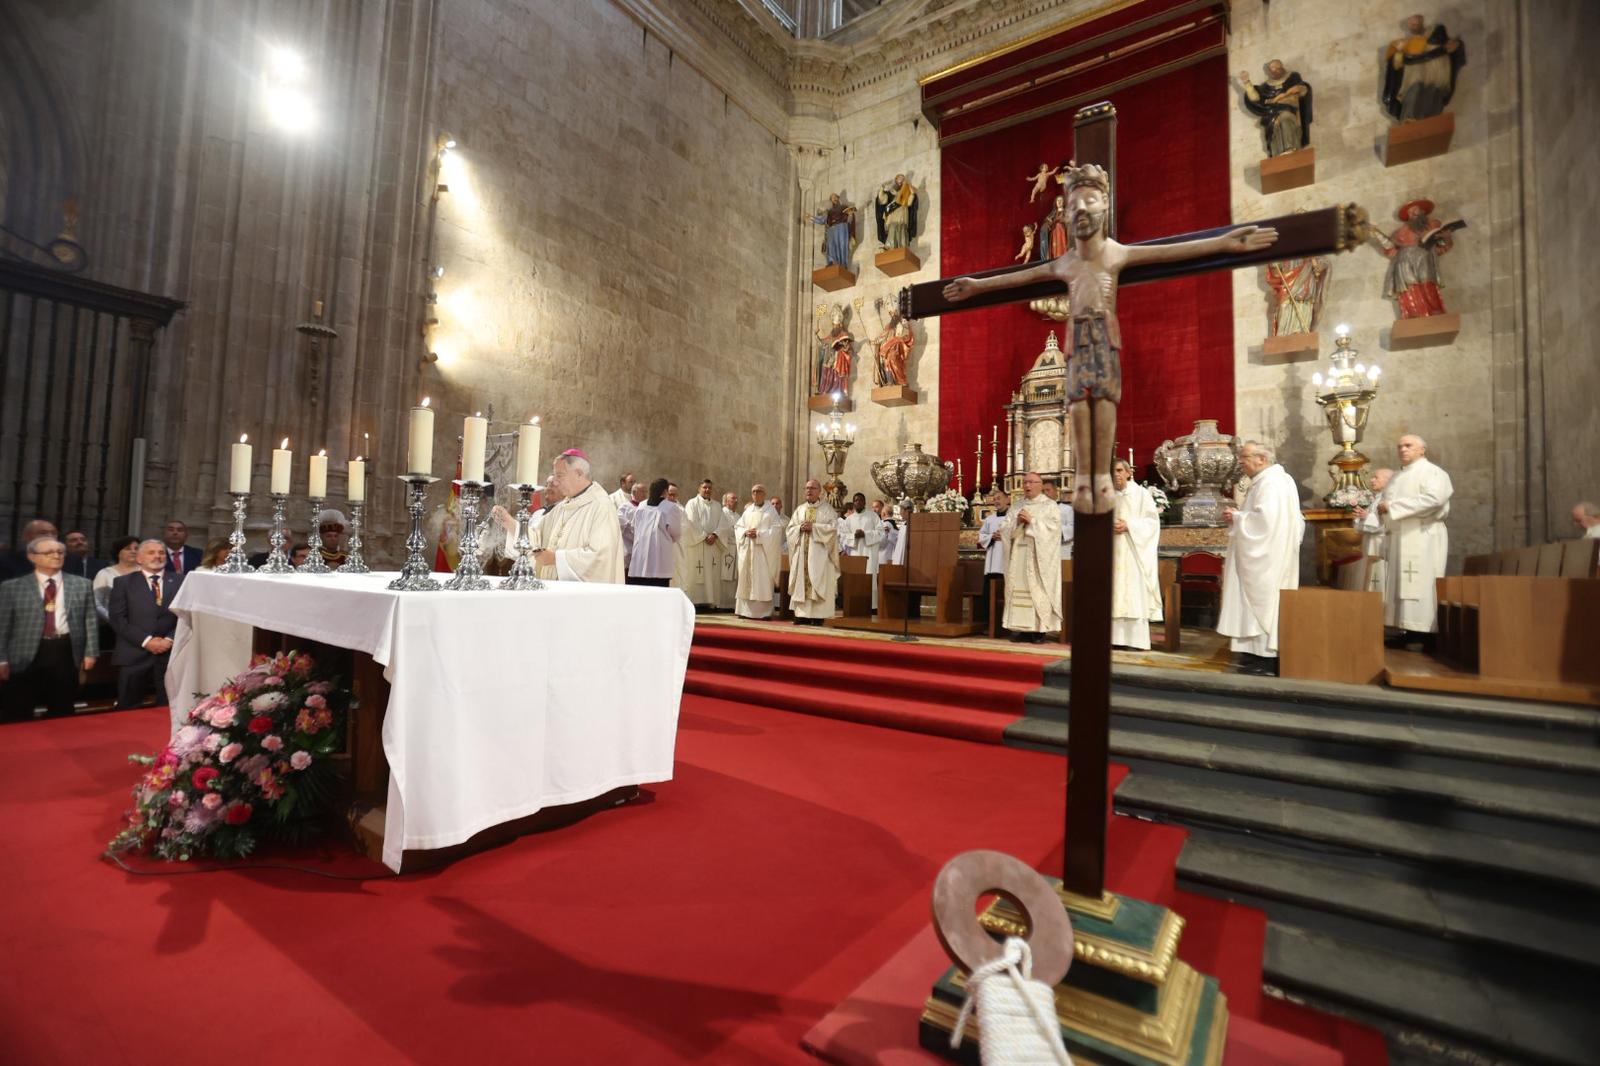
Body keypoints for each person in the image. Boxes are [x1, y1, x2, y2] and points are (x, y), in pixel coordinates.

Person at [944, 163, 1274, 513]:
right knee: (1075, 402)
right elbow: (1021, 276)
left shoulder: (1115, 252)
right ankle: (1085, 475)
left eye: (1090, 201)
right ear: (1066, 216)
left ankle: (1100, 471)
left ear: (1105, 206)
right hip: (1076, 335)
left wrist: (1222, 242)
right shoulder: (1065, 262)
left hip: (1103, 332)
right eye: (1074, 205)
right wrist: (977, 285)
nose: (1081, 210)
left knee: (1102, 398)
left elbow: (1172, 251)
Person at [1217, 442, 1305, 674]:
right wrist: (1241, 517)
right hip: (1266, 554)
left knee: (1264, 603)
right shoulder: (1268, 482)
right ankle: (1253, 653)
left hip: (1267, 558)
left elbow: (1266, 521)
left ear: (1261, 459)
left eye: (1244, 457)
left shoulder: (1272, 483)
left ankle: (1266, 658)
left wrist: (1238, 517)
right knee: (1255, 604)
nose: (1240, 461)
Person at [0, 537, 99, 721]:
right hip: (23, 653)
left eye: (60, 552)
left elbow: (90, 620)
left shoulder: (81, 584)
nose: (56, 556)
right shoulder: (12, 587)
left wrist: (90, 653)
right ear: (32, 557)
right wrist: (1, 660)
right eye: (49, 552)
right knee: (18, 707)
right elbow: (3, 625)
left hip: (65, 649)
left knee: (62, 706)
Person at [1373, 434, 1452, 646]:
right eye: (1400, 446)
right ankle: (1406, 629)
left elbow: (1435, 499)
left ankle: (1425, 633)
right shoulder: (1398, 476)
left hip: (1423, 536)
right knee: (1402, 584)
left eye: (1409, 446)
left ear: (1422, 450)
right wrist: (1383, 509)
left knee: (1422, 583)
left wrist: (1393, 507)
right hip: (1401, 536)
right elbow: (1386, 502)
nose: (1403, 449)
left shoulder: (1433, 473)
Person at [526, 451, 625, 583]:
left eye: (559, 475)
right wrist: (511, 525)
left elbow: (600, 557)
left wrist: (556, 558)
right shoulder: (562, 507)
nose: (555, 482)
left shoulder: (601, 506)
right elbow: (537, 534)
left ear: (579, 474)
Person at [108, 540, 183, 710]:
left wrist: (169, 639)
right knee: (128, 709)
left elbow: (186, 616)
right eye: (151, 552)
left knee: (169, 708)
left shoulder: (181, 581)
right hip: (134, 654)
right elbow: (118, 619)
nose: (157, 556)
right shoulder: (123, 583)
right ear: (139, 558)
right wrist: (147, 641)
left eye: (161, 552)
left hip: (170, 654)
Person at [1001, 472, 1063, 642]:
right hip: (1019, 555)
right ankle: (1021, 629)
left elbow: (1054, 530)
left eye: (1031, 482)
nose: (1027, 485)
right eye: (1025, 482)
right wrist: (1017, 523)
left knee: (1037, 589)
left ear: (1040, 484)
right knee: (1018, 588)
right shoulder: (1016, 506)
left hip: (1038, 557)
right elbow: (1005, 528)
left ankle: (1038, 630)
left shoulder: (1050, 505)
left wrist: (1032, 521)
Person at [1371, 199, 1457, 319]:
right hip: (1404, 261)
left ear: (1422, 211)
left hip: (1425, 260)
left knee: (1428, 284)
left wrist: (1447, 238)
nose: (1412, 214)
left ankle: (1434, 313)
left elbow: (1441, 248)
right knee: (1409, 288)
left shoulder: (1433, 225)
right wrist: (1377, 234)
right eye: (1410, 213)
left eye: (1415, 211)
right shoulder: (1400, 233)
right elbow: (1391, 250)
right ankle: (1412, 315)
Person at [1109, 460, 1163, 650]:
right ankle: (1114, 639)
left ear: (1128, 472)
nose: (1116, 474)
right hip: (1113, 552)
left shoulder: (1141, 494)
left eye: (1119, 470)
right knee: (1114, 593)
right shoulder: (1107, 497)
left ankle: (1134, 640)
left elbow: (1152, 522)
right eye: (1112, 471)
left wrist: (1129, 525)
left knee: (1133, 592)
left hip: (1134, 551)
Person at [1383, 13, 1465, 122]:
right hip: (1417, 76)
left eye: (1416, 21)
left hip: (1437, 76)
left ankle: (1431, 122)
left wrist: (1455, 46)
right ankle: (1410, 120)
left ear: (1422, 21)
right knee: (1416, 90)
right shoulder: (1406, 44)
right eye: (1411, 22)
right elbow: (1403, 60)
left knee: (1434, 94)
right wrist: (1399, 53)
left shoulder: (1435, 33)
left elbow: (1450, 49)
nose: (1413, 24)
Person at [786, 479, 840, 625]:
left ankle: (817, 615)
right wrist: (799, 528)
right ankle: (801, 614)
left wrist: (814, 527)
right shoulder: (800, 510)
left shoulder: (827, 510)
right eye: (807, 488)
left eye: (813, 488)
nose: (809, 491)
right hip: (802, 554)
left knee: (818, 580)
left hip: (819, 555)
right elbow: (790, 530)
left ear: (819, 491)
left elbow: (833, 529)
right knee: (801, 582)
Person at [1235, 60, 1312, 157]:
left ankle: (1291, 148)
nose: (1274, 71)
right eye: (1272, 69)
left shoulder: (1292, 77)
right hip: (1272, 112)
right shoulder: (1267, 86)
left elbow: (1300, 89)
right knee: (1273, 126)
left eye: (1276, 68)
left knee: (1285, 118)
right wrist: (1247, 82)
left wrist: (1279, 97)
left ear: (1282, 67)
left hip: (1289, 108)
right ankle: (1276, 153)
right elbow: (1256, 98)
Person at [733, 484, 782, 619]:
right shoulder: (748, 511)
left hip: (763, 553)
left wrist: (760, 534)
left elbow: (777, 530)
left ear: (764, 494)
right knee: (746, 580)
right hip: (748, 550)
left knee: (762, 581)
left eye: (758, 491)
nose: (755, 494)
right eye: (753, 491)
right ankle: (744, 611)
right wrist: (745, 532)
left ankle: (763, 613)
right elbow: (738, 527)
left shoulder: (770, 511)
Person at [678, 479, 725, 609]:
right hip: (697, 544)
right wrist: (704, 536)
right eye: (704, 487)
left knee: (712, 573)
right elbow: (691, 522)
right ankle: (695, 602)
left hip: (713, 545)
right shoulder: (692, 503)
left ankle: (711, 602)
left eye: (709, 488)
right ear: (699, 489)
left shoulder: (717, 506)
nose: (707, 490)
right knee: (695, 572)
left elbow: (723, 524)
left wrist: (715, 535)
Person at [627, 478, 682, 588]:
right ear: (665, 491)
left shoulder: (641, 506)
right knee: (658, 590)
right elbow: (676, 532)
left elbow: (634, 527)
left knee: (640, 590)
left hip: (640, 557)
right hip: (659, 556)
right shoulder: (670, 507)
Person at [839, 491, 885, 608]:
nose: (858, 502)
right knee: (856, 577)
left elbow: (881, 533)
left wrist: (866, 534)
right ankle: (856, 604)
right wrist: (854, 536)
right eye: (855, 500)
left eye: (860, 500)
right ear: (853, 503)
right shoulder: (849, 519)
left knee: (870, 576)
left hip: (870, 553)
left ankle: (872, 606)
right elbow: (843, 536)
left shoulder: (873, 516)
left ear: (864, 502)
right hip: (855, 554)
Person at [1353, 468, 1394, 592]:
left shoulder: (1389, 499)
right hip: (1371, 542)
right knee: (1370, 577)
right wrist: (1361, 517)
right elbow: (1366, 525)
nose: (1372, 480)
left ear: (1388, 481)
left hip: (1381, 542)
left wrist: (1367, 516)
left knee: (1379, 576)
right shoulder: (1377, 499)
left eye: (1376, 477)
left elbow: (1387, 523)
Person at [978, 489, 1009, 630]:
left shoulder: (1013, 518)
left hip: (1007, 563)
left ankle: (1006, 625)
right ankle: (988, 624)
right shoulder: (989, 519)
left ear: (1007, 499)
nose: (997, 501)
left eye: (999, 498)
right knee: (989, 595)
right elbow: (981, 536)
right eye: (995, 499)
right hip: (991, 564)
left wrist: (1005, 536)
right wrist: (992, 537)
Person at [93, 536, 142, 621]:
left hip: (142, 625)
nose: (133, 551)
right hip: (110, 626)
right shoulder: (105, 573)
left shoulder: (147, 572)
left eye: (136, 548)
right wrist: (113, 619)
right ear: (118, 553)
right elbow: (96, 601)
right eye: (128, 549)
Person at [810, 192, 856, 268]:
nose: (834, 199)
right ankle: (832, 262)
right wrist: (811, 218)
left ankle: (842, 264)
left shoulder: (844, 207)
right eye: (832, 198)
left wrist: (850, 215)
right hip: (831, 229)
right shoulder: (828, 211)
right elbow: (822, 220)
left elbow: (849, 220)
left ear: (838, 198)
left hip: (842, 227)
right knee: (830, 245)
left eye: (835, 197)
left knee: (842, 245)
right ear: (831, 200)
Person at [874, 173, 919, 250]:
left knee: (902, 230)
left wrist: (912, 193)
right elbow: (882, 200)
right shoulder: (890, 193)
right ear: (896, 180)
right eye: (899, 179)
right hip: (893, 216)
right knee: (893, 228)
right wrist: (882, 188)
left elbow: (909, 203)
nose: (901, 181)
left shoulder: (906, 193)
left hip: (902, 214)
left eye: (903, 179)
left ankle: (903, 247)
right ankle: (889, 246)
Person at [717, 493, 740, 609]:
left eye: (736, 498)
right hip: (725, 548)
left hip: (736, 548)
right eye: (733, 498)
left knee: (734, 577)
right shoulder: (722, 513)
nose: (736, 500)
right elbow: (723, 530)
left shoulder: (738, 516)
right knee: (724, 575)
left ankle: (731, 604)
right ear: (725, 501)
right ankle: (721, 604)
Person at [1043, 481, 1074, 560]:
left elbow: (1073, 528)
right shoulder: (1039, 510)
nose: (1045, 493)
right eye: (1043, 491)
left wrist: (1054, 529)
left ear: (1056, 491)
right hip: (1043, 550)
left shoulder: (1067, 509)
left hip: (1061, 550)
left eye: (1048, 490)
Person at [619, 482, 643, 571]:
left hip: (642, 553)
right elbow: (621, 523)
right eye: (643, 492)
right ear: (635, 492)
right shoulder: (625, 507)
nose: (646, 494)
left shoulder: (647, 508)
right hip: (629, 550)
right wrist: (632, 529)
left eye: (646, 492)